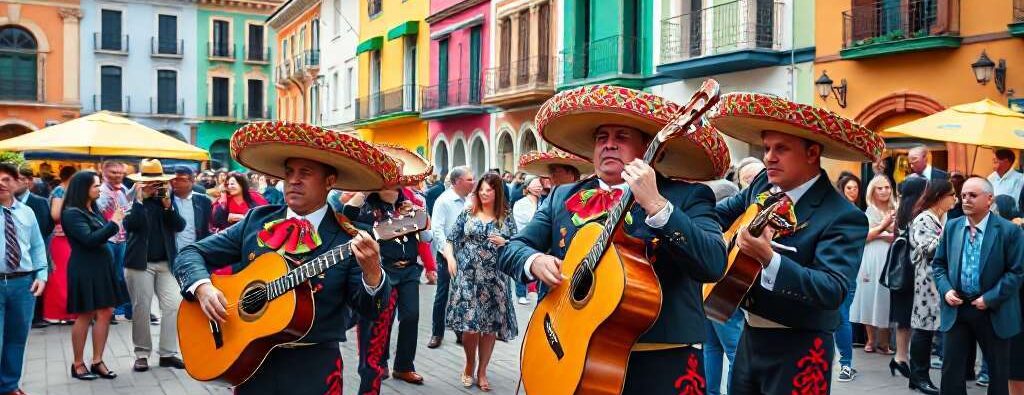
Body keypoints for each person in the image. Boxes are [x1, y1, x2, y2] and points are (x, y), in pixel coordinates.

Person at [498, 85, 731, 393]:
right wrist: (534, 260)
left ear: (651, 149)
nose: (608, 145)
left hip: (658, 365)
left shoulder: (687, 196)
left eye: (621, 137)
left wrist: (658, 206)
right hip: (572, 355)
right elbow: (512, 248)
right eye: (601, 138)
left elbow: (713, 264)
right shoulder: (562, 196)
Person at [171, 122, 393, 394]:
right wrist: (203, 288)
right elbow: (190, 253)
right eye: (289, 173)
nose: (294, 180)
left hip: (314, 370)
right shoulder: (257, 219)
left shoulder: (351, 237)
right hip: (248, 365)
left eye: (306, 173)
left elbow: (371, 310)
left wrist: (373, 275)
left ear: (330, 181)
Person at [711, 92, 879, 394]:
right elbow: (718, 214)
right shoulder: (763, 183)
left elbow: (832, 290)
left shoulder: (843, 215)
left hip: (801, 347)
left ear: (812, 153)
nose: (769, 157)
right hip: (749, 338)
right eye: (766, 148)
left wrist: (768, 258)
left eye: (781, 149)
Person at [344, 144, 433, 392]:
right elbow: (348, 216)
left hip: (409, 271)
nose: (392, 182)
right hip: (384, 270)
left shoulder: (412, 202)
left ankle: (404, 365)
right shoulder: (367, 204)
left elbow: (427, 239)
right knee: (383, 318)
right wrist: (369, 185)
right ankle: (379, 362)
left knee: (412, 316)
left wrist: (422, 218)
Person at [933, 177, 1024, 395]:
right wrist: (946, 290)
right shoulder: (952, 227)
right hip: (957, 307)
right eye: (963, 195)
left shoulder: (1009, 231)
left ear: (989, 199)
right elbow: (939, 264)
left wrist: (989, 298)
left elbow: (1017, 271)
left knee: (998, 373)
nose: (966, 200)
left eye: (972, 195)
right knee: (951, 372)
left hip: (993, 309)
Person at [444, 172, 519, 392]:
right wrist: (450, 257)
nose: (485, 194)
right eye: (481, 190)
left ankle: (482, 370)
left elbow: (517, 242)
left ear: (498, 192)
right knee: (470, 327)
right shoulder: (468, 212)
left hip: (495, 279)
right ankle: (469, 364)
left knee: (489, 328)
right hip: (468, 277)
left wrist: (505, 241)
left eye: (489, 190)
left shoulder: (505, 214)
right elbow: (451, 239)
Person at [121, 159, 187, 372]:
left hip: (166, 262)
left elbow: (179, 225)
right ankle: (141, 354)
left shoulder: (166, 198)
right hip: (140, 263)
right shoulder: (132, 198)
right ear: (141, 182)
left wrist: (168, 206)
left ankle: (167, 353)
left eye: (157, 182)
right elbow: (131, 225)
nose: (154, 186)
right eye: (150, 182)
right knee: (141, 308)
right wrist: (140, 201)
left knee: (173, 305)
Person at [64, 170, 127, 381]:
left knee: (106, 311)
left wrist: (113, 221)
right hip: (85, 268)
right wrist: (114, 223)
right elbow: (90, 239)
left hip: (102, 267)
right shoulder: (72, 213)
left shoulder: (93, 208)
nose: (99, 188)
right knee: (86, 313)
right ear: (83, 189)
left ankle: (98, 360)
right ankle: (78, 363)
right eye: (95, 186)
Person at [904, 179, 957, 395]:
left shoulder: (941, 217)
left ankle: (919, 377)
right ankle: (918, 377)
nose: (955, 198)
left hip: (938, 280)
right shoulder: (924, 218)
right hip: (926, 282)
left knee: (930, 328)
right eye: (952, 194)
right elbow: (924, 248)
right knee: (924, 328)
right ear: (939, 196)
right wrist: (949, 234)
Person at [0, 163, 47, 394]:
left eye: (7, 179)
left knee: (17, 338)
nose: (1, 183)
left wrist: (42, 275)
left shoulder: (27, 212)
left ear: (18, 183)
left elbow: (38, 246)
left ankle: (9, 386)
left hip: (23, 284)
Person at [427, 166, 475, 349]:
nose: (473, 182)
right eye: (469, 179)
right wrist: (446, 253)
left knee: (464, 294)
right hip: (448, 253)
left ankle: (459, 330)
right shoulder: (444, 201)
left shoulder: (470, 200)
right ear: (457, 182)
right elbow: (437, 229)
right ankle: (436, 333)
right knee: (443, 293)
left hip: (467, 253)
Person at [849, 175, 897, 355]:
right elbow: (864, 237)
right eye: (880, 188)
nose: (884, 191)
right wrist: (884, 230)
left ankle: (884, 342)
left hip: (891, 257)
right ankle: (870, 339)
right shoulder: (869, 211)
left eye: (887, 187)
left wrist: (880, 232)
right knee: (868, 296)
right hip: (871, 257)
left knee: (886, 296)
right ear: (873, 191)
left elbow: (899, 234)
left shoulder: (896, 209)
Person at [889, 176, 928, 380]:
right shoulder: (920, 214)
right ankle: (907, 359)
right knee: (915, 317)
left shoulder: (901, 212)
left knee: (904, 317)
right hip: (915, 270)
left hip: (900, 271)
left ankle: (900, 357)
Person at [16, 167, 54, 329]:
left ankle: (36, 316)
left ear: (29, 181)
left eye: (19, 178)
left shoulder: (39, 202)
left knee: (36, 281)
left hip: (34, 249)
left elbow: (47, 225)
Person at [96, 160, 132, 320]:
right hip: (107, 238)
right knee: (108, 275)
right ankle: (106, 310)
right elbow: (98, 211)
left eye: (120, 173)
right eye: (114, 173)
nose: (117, 176)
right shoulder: (100, 191)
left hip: (121, 238)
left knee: (119, 275)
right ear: (104, 174)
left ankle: (117, 308)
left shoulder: (124, 189)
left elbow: (127, 210)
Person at [43, 166, 78, 324]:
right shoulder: (60, 191)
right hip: (60, 238)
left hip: (68, 237)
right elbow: (55, 214)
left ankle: (68, 312)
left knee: (68, 274)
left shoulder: (67, 191)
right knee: (61, 275)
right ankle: (58, 312)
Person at [511, 176, 543, 304]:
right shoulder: (520, 203)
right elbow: (532, 221)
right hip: (524, 238)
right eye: (535, 185)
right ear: (528, 187)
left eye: (540, 185)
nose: (539, 187)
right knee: (522, 265)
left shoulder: (543, 202)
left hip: (540, 239)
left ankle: (536, 291)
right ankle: (520, 293)